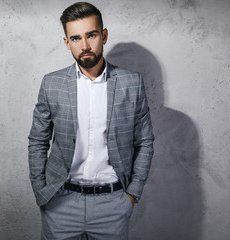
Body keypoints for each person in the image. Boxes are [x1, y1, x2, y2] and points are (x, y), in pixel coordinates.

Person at [28, 2, 154, 239]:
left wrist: (132, 194)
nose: (84, 46)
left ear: (103, 36)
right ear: (67, 43)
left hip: (113, 204)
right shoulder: (51, 84)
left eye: (91, 35)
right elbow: (37, 141)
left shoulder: (131, 83)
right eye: (75, 38)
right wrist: (41, 191)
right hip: (60, 202)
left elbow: (145, 142)